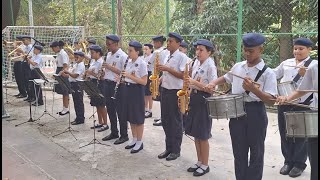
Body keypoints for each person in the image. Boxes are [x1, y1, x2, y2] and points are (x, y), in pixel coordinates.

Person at [205, 33, 278, 180]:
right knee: (239, 152)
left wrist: (254, 90)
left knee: (256, 152)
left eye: (251, 51)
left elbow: (271, 100)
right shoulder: (238, 66)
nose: (247, 53)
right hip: (236, 111)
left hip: (256, 112)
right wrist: (213, 83)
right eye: (245, 50)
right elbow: (226, 78)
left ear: (261, 50)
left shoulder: (268, 73)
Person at [273, 37, 317, 177]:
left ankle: (299, 164)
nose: (297, 51)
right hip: (285, 102)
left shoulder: (313, 65)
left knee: (300, 135)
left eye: (301, 49)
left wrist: (305, 74)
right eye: (295, 48)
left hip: (303, 104)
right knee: (285, 132)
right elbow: (274, 74)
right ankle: (288, 161)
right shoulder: (287, 63)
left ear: (309, 50)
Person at [185, 39, 217, 176]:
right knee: (196, 133)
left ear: (209, 52)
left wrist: (193, 83)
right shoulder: (197, 62)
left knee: (203, 135)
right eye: (197, 49)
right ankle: (199, 161)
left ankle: (205, 164)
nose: (197, 52)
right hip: (194, 98)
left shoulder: (211, 66)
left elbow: (212, 90)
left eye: (201, 50)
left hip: (204, 99)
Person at [157, 32, 187, 161]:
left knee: (175, 121)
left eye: (171, 41)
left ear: (178, 43)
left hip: (176, 91)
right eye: (168, 41)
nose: (168, 43)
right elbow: (166, 72)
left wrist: (167, 69)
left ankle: (176, 150)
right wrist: (161, 78)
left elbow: (183, 75)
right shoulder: (166, 56)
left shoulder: (182, 57)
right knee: (165, 119)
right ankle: (168, 147)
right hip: (165, 90)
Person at [119, 40, 148, 153]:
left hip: (137, 91)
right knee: (130, 116)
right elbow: (128, 76)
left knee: (138, 117)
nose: (128, 52)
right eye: (128, 50)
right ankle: (134, 139)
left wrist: (130, 76)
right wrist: (123, 79)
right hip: (128, 89)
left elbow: (144, 82)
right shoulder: (129, 62)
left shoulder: (142, 63)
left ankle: (140, 142)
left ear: (137, 51)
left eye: (130, 50)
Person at [101, 34, 129, 144]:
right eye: (106, 44)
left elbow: (124, 73)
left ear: (116, 44)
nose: (107, 46)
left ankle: (124, 135)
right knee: (110, 109)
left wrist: (110, 68)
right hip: (107, 83)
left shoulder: (123, 56)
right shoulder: (108, 54)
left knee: (120, 111)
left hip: (117, 85)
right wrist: (104, 72)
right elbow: (107, 70)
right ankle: (114, 132)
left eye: (109, 44)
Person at [84, 45, 109, 132]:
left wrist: (91, 73)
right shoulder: (93, 61)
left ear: (98, 53)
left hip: (100, 84)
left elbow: (102, 77)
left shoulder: (101, 62)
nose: (91, 54)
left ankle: (105, 123)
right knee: (97, 104)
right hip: (93, 82)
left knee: (102, 104)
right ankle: (100, 122)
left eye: (93, 53)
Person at [150, 35, 170, 126]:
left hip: (159, 74)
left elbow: (150, 63)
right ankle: (163, 116)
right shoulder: (166, 51)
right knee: (163, 99)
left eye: (154, 42)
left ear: (159, 43)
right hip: (164, 73)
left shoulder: (157, 52)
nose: (153, 44)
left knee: (162, 98)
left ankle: (163, 118)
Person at [63, 51, 86, 125]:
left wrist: (67, 72)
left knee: (78, 102)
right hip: (73, 84)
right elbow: (71, 75)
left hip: (78, 84)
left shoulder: (81, 65)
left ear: (82, 58)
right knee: (76, 102)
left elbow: (75, 75)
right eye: (75, 57)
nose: (76, 58)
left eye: (77, 57)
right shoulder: (76, 64)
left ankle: (80, 118)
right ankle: (78, 117)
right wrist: (66, 74)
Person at [50, 41, 71, 116]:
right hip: (59, 70)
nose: (53, 50)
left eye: (53, 48)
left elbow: (65, 65)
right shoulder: (59, 54)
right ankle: (64, 108)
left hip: (63, 72)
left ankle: (66, 108)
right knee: (63, 91)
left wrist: (59, 74)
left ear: (57, 47)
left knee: (65, 91)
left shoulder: (63, 54)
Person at [16, 35, 33, 99]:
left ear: (28, 40)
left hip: (27, 64)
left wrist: (22, 52)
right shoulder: (27, 47)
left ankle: (31, 96)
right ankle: (29, 96)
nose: (23, 41)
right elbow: (24, 55)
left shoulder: (30, 47)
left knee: (27, 80)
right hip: (24, 63)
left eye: (24, 40)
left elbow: (29, 56)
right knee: (25, 80)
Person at [143, 43, 154, 118]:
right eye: (144, 49)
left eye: (146, 49)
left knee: (149, 94)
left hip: (150, 74)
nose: (145, 51)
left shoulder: (152, 57)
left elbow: (148, 65)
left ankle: (150, 110)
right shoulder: (144, 57)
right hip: (145, 74)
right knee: (145, 93)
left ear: (151, 49)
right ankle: (145, 109)